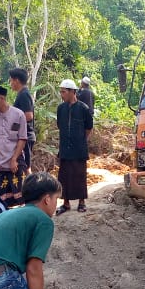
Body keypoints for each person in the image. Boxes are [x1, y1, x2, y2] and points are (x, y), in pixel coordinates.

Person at [0, 85, 28, 208]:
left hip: (15, 162)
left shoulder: (18, 115)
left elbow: (22, 139)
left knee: (22, 199)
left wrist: (14, 159)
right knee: (1, 202)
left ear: (2, 98)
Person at [55, 79, 94, 215]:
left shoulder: (83, 108)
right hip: (65, 148)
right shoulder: (61, 108)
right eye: (61, 92)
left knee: (79, 175)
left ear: (73, 92)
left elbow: (89, 127)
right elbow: (60, 125)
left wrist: (81, 140)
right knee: (64, 175)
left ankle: (81, 202)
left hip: (79, 149)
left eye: (64, 92)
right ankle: (65, 204)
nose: (62, 94)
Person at [9, 68, 36, 175]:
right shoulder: (22, 94)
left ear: (16, 80)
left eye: (11, 80)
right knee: (24, 165)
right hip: (23, 136)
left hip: (26, 136)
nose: (10, 83)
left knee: (26, 167)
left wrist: (14, 125)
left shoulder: (24, 94)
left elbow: (29, 116)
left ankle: (34, 189)